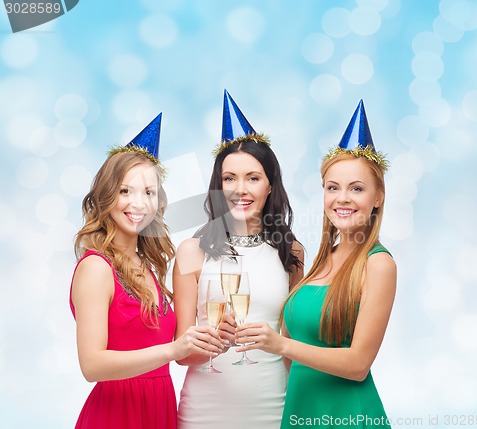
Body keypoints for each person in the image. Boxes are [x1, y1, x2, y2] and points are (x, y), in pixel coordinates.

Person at [236, 100, 396, 428]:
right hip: (300, 413)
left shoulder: (378, 264)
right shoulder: (321, 261)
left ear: (378, 196)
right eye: (332, 188)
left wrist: (281, 344)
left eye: (357, 188)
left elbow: (357, 364)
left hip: (348, 416)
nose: (342, 198)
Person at [70, 113, 223, 429]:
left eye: (148, 192)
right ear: (106, 196)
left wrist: (221, 333)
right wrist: (172, 350)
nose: (137, 203)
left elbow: (182, 343)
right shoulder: (97, 268)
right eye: (125, 191)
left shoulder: (148, 267)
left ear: (158, 202)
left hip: (158, 409)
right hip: (116, 415)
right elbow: (92, 364)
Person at [174, 90, 304, 429]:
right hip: (205, 410)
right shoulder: (192, 251)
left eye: (253, 178)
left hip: (274, 405)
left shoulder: (292, 252)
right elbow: (181, 353)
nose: (239, 189)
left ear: (270, 186)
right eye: (229, 178)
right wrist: (216, 341)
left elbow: (294, 345)